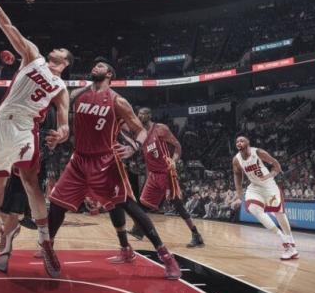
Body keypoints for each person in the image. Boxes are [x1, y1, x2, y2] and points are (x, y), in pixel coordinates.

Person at [48, 60, 181, 279]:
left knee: (127, 204)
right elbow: (64, 112)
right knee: (56, 205)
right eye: (94, 65)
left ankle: (166, 256)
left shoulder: (118, 101)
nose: (95, 67)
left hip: (106, 161)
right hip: (78, 159)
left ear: (109, 74)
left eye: (100, 66)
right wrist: (60, 137)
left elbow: (140, 130)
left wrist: (133, 147)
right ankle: (48, 248)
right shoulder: (78, 96)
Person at [0, 0, 70, 278]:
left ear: (65, 63)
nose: (54, 49)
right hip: (1, 123)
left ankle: (45, 241)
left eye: (60, 52)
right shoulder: (33, 55)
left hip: (25, 128)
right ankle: (8, 228)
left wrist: (62, 133)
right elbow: (7, 25)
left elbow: (65, 122)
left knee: (30, 180)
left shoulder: (62, 88)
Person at [130, 108, 204, 248]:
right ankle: (139, 230)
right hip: (153, 174)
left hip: (166, 172)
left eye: (143, 114)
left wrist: (174, 160)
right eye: (138, 114)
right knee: (143, 202)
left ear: (149, 115)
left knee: (178, 205)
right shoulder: (141, 134)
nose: (139, 116)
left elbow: (177, 146)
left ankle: (196, 235)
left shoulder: (160, 129)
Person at [231, 136, 299, 260]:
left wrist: (270, 175)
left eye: (242, 140)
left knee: (279, 214)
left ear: (248, 143)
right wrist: (239, 193)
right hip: (255, 187)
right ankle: (283, 239)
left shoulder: (258, 152)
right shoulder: (236, 159)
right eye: (237, 141)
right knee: (253, 209)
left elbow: (276, 165)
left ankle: (292, 244)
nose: (239, 142)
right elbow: (237, 174)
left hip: (269, 186)